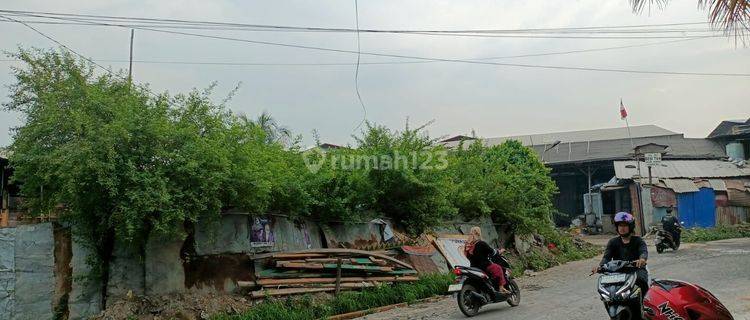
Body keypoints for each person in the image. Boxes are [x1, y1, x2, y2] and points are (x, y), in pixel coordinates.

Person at [592, 212, 649, 294]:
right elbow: (606, 257)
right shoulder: (613, 242)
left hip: (635, 270)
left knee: (642, 281)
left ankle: (642, 304)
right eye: (620, 226)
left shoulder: (638, 240)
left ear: (630, 227)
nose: (622, 228)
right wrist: (600, 266)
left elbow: (643, 251)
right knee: (606, 287)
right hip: (618, 272)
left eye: (625, 225)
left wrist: (642, 259)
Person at [464, 226, 510, 295]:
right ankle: (501, 287)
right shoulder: (481, 243)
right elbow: (492, 252)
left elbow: (468, 256)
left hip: (474, 267)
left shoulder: (468, 246)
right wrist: (499, 251)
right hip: (484, 266)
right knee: (499, 268)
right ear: (479, 233)